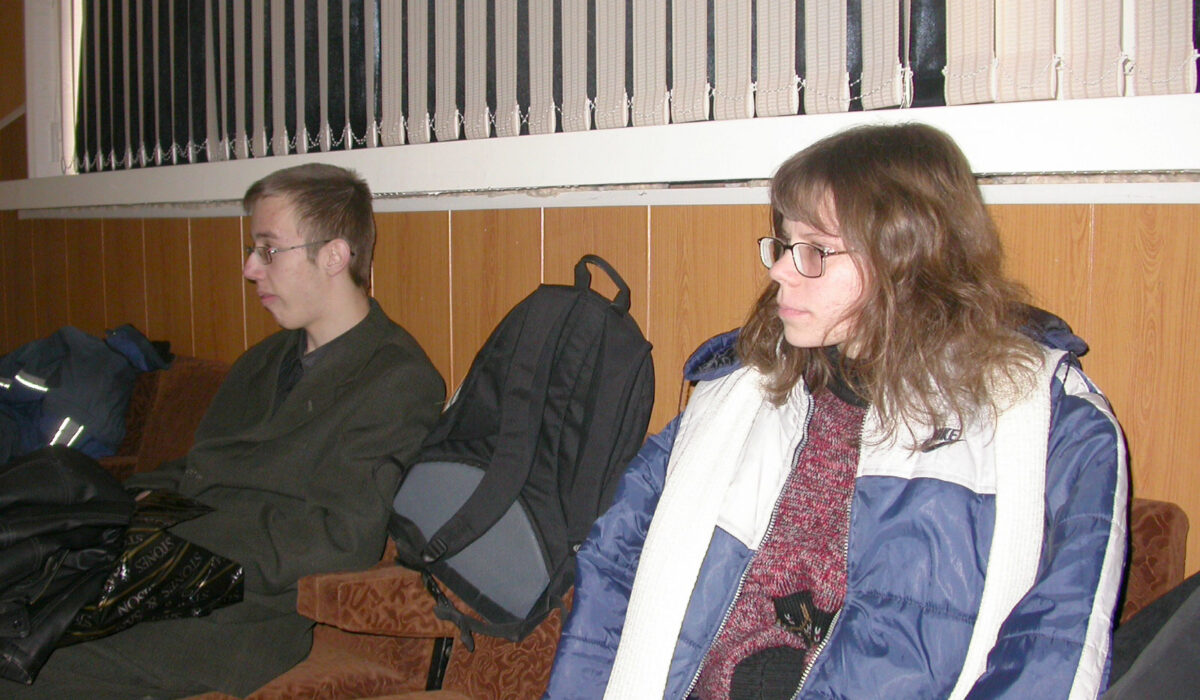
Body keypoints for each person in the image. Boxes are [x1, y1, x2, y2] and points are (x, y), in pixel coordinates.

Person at [545, 124, 1127, 699]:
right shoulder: (736, 395)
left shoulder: (1049, 424)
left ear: (905, 258)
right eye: (784, 245)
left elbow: (1053, 649)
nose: (778, 270)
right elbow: (613, 570)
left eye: (815, 250)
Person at [17, 163, 446, 698]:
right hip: (155, 574)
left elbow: (340, 537)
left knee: (29, 663)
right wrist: (112, 508)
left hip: (232, 618)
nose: (249, 268)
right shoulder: (263, 360)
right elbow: (199, 468)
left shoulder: (398, 380)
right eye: (253, 249)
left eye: (269, 250)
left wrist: (176, 542)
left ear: (334, 256)